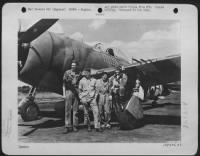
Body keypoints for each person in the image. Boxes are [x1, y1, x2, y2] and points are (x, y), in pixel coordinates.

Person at [79, 68, 103, 132]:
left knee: (96, 112)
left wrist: (95, 97)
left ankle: (97, 126)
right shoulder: (81, 81)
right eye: (85, 73)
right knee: (86, 113)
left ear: (90, 73)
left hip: (93, 98)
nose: (85, 74)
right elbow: (80, 90)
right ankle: (88, 126)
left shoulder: (94, 80)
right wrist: (81, 98)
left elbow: (97, 90)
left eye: (87, 72)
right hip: (85, 98)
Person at [63, 60, 81, 134]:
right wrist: (64, 94)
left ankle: (75, 126)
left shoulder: (79, 73)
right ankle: (67, 126)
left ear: (76, 66)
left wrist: (80, 93)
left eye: (74, 65)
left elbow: (80, 84)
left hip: (76, 92)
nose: (73, 66)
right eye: (72, 65)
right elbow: (63, 84)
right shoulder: (67, 73)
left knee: (75, 110)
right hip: (69, 92)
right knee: (67, 110)